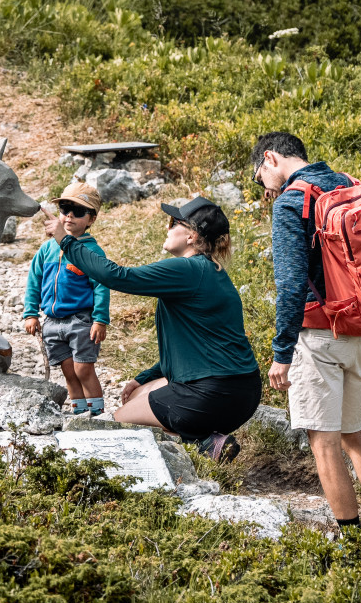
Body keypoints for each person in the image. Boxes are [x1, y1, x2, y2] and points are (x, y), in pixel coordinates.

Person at [250, 131, 361, 566]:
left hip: (318, 335)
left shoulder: (291, 201)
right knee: (353, 434)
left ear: (271, 159)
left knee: (323, 443)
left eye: (259, 177)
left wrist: (281, 353)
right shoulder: (346, 183)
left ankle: (354, 551)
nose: (264, 188)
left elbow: (288, 286)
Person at [50, 196, 261, 462]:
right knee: (138, 393)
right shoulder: (213, 272)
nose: (167, 227)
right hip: (243, 393)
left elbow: (117, 276)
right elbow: (199, 348)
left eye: (174, 222)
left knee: (119, 424)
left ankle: (198, 443)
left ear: (191, 236)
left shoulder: (186, 268)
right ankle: (206, 439)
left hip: (211, 393)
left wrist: (65, 241)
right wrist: (145, 376)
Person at [23, 182, 111, 416]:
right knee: (69, 370)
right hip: (52, 320)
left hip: (81, 320)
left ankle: (98, 415)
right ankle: (79, 413)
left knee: (83, 369)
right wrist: (31, 313)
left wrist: (100, 319)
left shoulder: (92, 252)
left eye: (78, 211)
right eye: (65, 209)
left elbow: (101, 285)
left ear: (91, 219)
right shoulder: (46, 249)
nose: (69, 215)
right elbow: (34, 281)